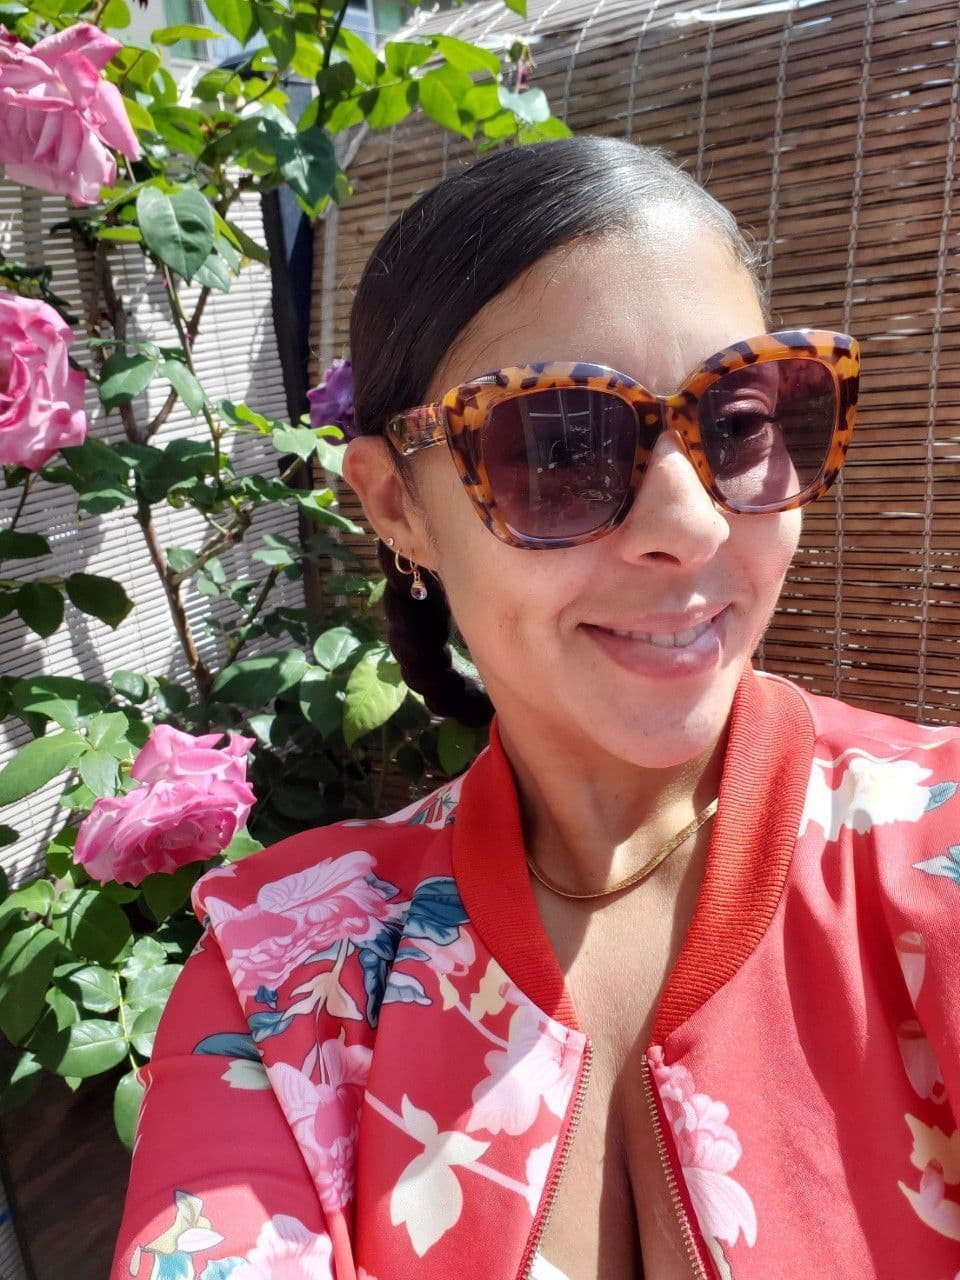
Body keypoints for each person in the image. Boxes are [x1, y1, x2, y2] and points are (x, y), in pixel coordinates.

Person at [109, 136, 960, 1280]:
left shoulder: (936, 847)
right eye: (559, 445)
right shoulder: (285, 980)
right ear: (396, 506)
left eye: (743, 421)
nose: (696, 524)